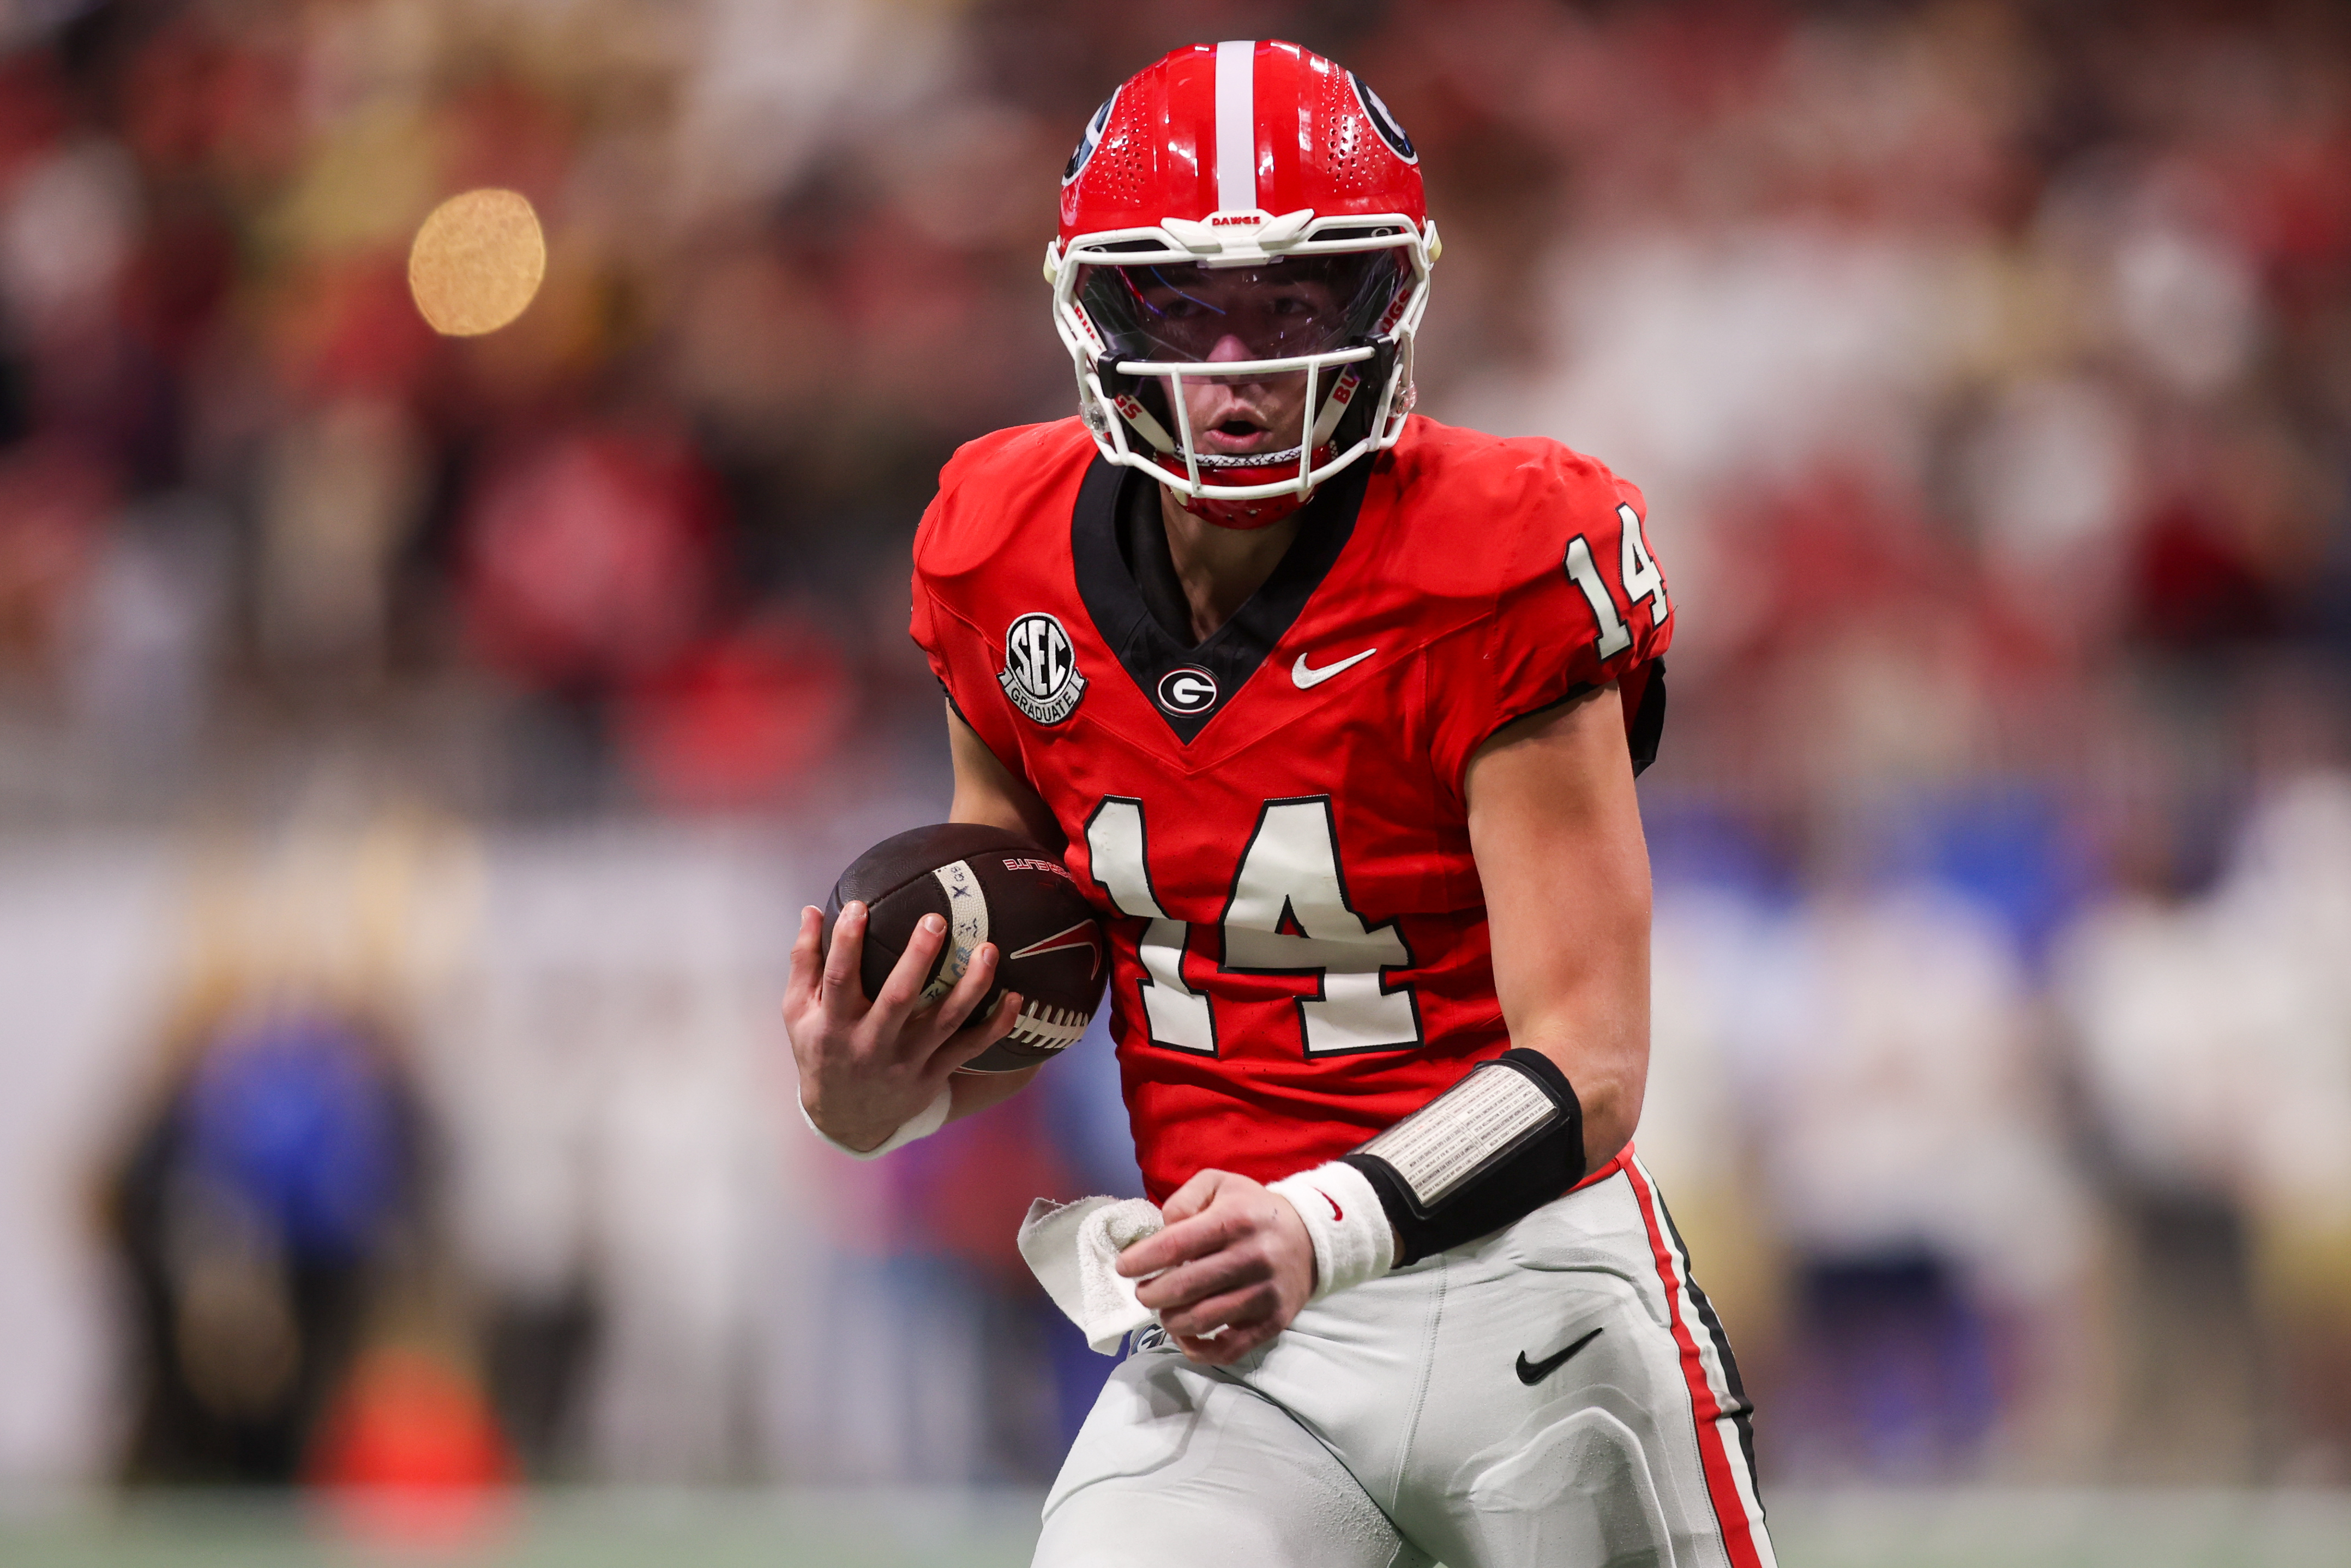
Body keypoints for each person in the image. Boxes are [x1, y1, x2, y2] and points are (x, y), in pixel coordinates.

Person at [785, 39, 1773, 1567]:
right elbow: (1029, 978)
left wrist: (1322, 1223)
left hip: (1526, 1292)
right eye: (1185, 308)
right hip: (1236, 1323)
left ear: (1389, 300)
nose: (1241, 364)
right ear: (1100, 310)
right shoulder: (999, 548)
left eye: (1298, 303)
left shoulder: (1501, 554)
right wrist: (879, 1092)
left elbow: (1590, 1059)